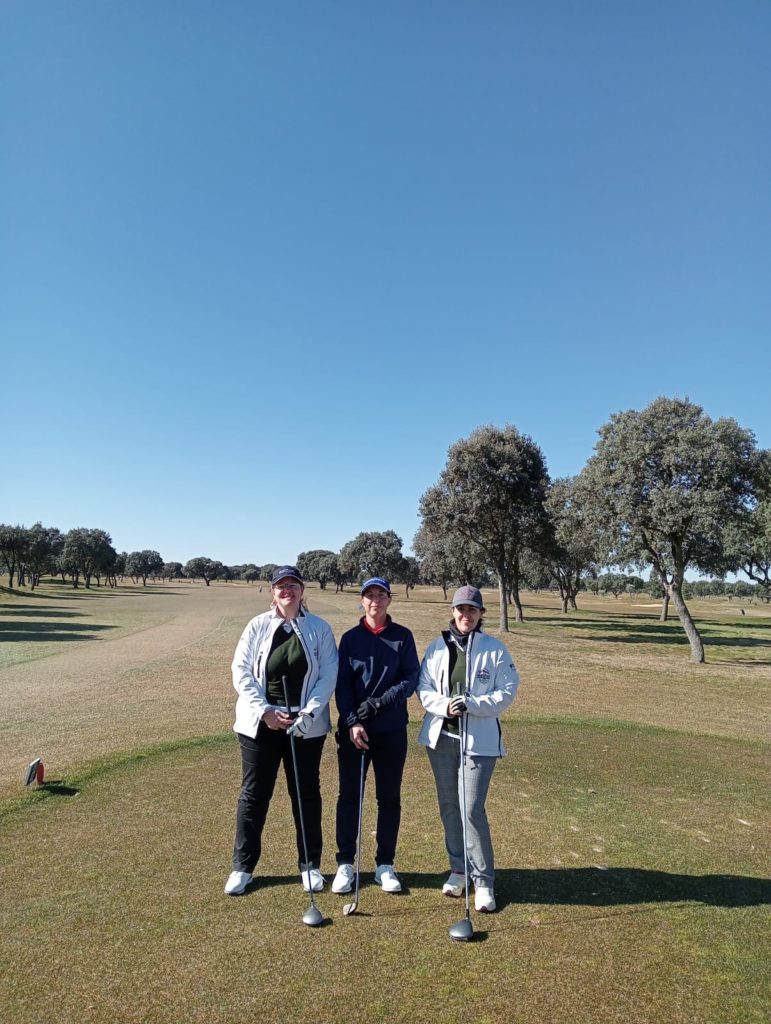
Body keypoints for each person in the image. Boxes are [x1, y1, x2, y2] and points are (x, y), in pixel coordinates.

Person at [225, 565, 338, 896]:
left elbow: (327, 675)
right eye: (280, 586)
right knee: (255, 794)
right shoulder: (258, 626)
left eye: (293, 585)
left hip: (305, 725)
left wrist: (309, 713)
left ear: (303, 591)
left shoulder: (319, 628)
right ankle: (242, 867)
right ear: (272, 592)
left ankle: (309, 865)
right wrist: (265, 712)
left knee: (305, 794)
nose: (287, 590)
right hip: (260, 724)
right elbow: (241, 670)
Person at [417, 585, 519, 913]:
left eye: (472, 610)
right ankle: (459, 869)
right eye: (461, 609)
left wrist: (473, 704)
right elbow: (423, 688)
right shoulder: (437, 647)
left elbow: (507, 691)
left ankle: (484, 880)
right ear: (453, 611)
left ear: (480, 614)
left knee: (471, 808)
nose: (466, 615)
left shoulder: (495, 649)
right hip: (442, 738)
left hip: (479, 743)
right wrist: (446, 706)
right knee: (449, 806)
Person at [332, 577, 420, 895]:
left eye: (381, 595)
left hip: (391, 730)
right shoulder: (351, 638)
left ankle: (385, 865)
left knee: (389, 798)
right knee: (349, 798)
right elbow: (341, 686)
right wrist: (353, 721)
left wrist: (380, 703)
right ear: (362, 600)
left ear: (389, 600)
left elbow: (411, 678)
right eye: (369, 595)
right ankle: (345, 863)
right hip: (354, 731)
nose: (375, 601)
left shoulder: (403, 637)